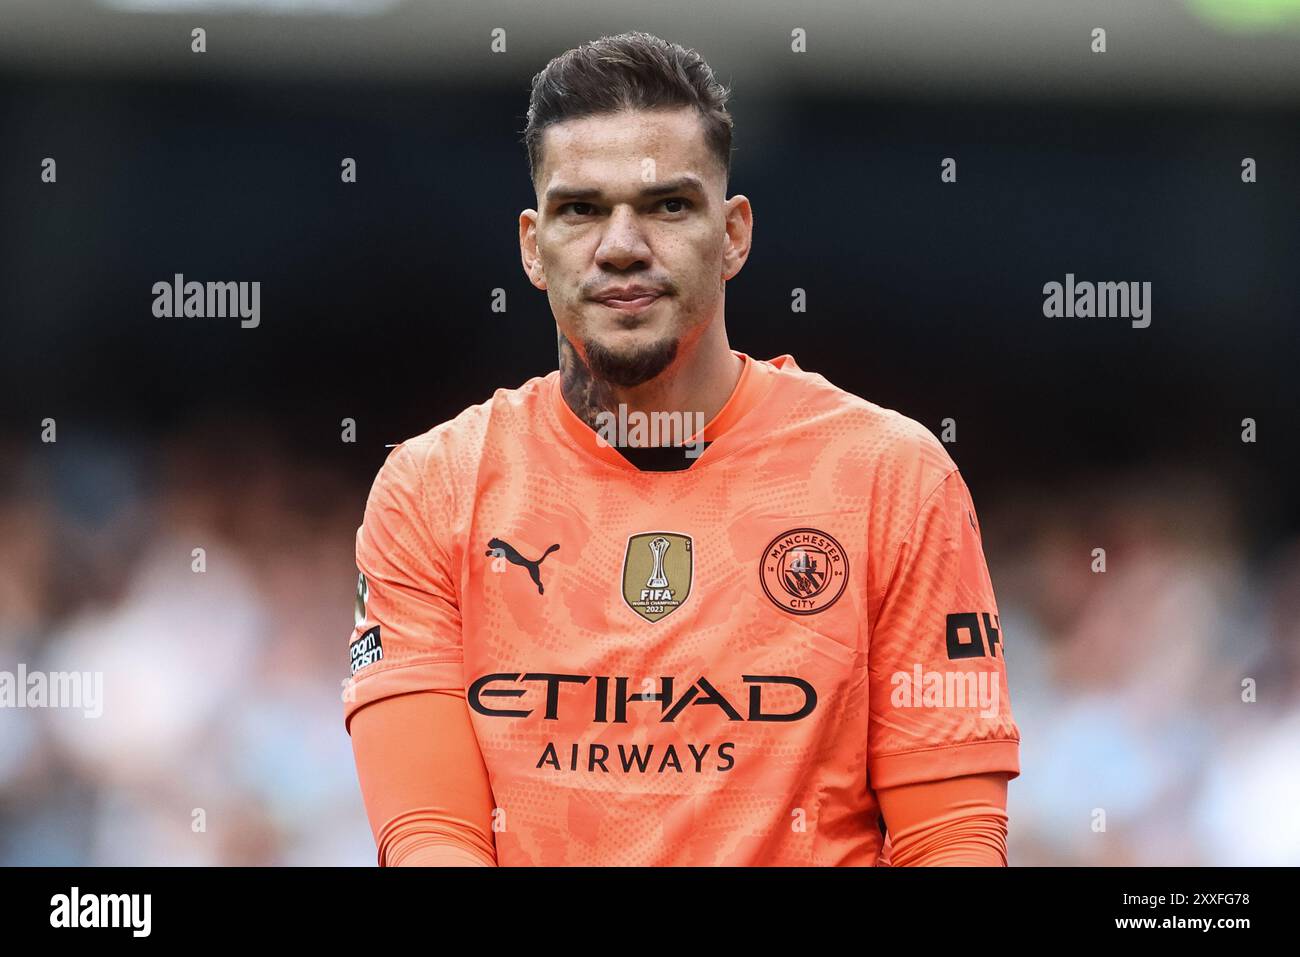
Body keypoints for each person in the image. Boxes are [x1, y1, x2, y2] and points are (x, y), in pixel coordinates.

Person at [344, 31, 1019, 866]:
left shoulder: (891, 477)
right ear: (531, 246)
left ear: (733, 233)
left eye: (667, 204)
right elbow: (428, 836)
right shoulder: (432, 489)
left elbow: (949, 838)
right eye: (581, 208)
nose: (621, 244)